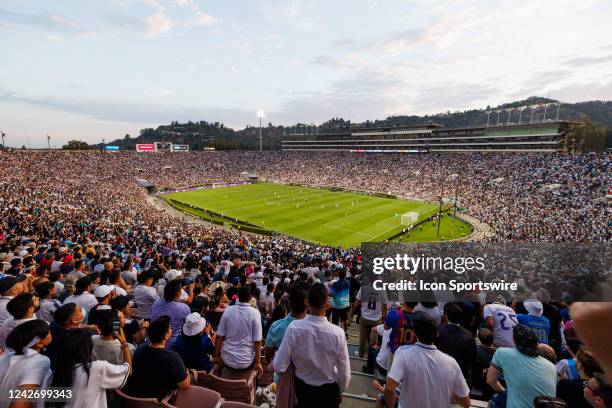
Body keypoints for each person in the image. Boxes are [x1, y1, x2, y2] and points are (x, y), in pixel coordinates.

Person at [273, 283, 350, 408]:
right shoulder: (338, 333)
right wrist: (339, 391)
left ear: (307, 302)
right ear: (328, 305)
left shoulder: (294, 328)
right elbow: (344, 373)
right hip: (329, 394)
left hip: (302, 393)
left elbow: (279, 365)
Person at [379, 311, 471, 408]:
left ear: (415, 333)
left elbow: (389, 389)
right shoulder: (451, 363)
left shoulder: (403, 353)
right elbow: (466, 402)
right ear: (437, 334)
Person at [49, 328, 131, 408]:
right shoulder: (96, 369)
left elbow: (41, 400)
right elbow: (128, 370)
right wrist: (124, 344)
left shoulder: (54, 375)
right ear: (86, 348)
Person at [487, 325, 556, 408]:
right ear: (536, 343)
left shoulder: (502, 352)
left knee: (494, 402)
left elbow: (490, 381)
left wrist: (505, 392)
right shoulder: (552, 366)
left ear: (514, 340)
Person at [125, 316, 190, 400]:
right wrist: (188, 372)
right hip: (157, 402)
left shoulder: (140, 348)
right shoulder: (173, 358)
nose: (171, 329)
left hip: (134, 399)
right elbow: (185, 385)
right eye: (170, 328)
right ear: (166, 336)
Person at [213, 285, 263, 376]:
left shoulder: (228, 311)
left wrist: (216, 356)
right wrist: (257, 363)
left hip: (227, 359)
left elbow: (219, 336)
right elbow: (258, 342)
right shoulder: (255, 313)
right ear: (250, 297)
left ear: (238, 296)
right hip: (246, 361)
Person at [0, 320, 53, 404]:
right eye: (48, 332)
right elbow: (21, 403)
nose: (50, 332)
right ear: (39, 343)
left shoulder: (6, 356)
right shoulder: (39, 361)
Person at [436, 302, 476, 386]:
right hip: (459, 375)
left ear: (445, 316)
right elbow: (472, 358)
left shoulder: (438, 331)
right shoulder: (469, 335)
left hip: (439, 373)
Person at [151, 279, 191, 349]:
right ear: (178, 293)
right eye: (180, 290)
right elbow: (188, 326)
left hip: (154, 340)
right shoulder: (184, 308)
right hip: (173, 344)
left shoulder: (156, 303)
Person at [355, 287, 387, 358]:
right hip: (377, 319)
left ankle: (361, 354)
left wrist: (354, 307)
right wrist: (384, 314)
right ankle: (372, 356)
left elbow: (358, 301)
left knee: (362, 337)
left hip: (365, 317)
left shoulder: (363, 288)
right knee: (375, 339)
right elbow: (385, 304)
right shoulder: (382, 290)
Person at [330, 269, 350, 336]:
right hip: (346, 304)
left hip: (337, 305)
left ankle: (335, 334)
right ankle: (346, 332)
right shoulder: (348, 282)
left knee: (335, 321)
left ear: (338, 275)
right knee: (345, 319)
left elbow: (332, 294)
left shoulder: (335, 284)